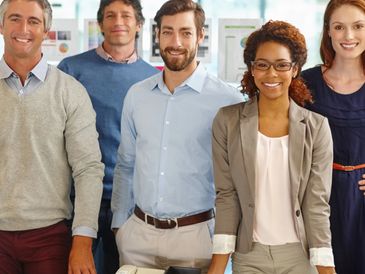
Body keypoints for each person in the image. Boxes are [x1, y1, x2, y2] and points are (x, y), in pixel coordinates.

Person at [111, 0, 243, 271]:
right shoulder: (137, 95)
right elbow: (126, 164)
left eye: (185, 32)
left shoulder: (227, 100)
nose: (175, 41)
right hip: (138, 238)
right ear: (157, 34)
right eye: (167, 31)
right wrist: (119, 226)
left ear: (200, 36)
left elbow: (239, 180)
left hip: (197, 239)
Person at [208, 21, 336, 274]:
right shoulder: (227, 121)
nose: (272, 74)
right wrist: (217, 268)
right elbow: (227, 196)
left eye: (282, 65)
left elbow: (316, 204)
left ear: (295, 69)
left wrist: (326, 269)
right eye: (262, 65)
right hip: (248, 256)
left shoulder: (317, 127)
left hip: (299, 255)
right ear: (252, 69)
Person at [0, 0, 104, 274]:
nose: (24, 28)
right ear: (1, 25)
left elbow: (88, 169)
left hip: (50, 236)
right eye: (15, 19)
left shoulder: (70, 91)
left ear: (46, 30)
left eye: (33, 21)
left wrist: (82, 241)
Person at [58, 0, 158, 273]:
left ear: (139, 25)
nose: (118, 22)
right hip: (76, 197)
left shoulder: (152, 79)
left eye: (126, 16)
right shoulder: (70, 70)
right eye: (110, 15)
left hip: (128, 200)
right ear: (100, 23)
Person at [301, 1, 365, 273]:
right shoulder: (304, 84)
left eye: (358, 26)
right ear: (328, 31)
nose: (348, 36)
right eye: (339, 27)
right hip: (317, 199)